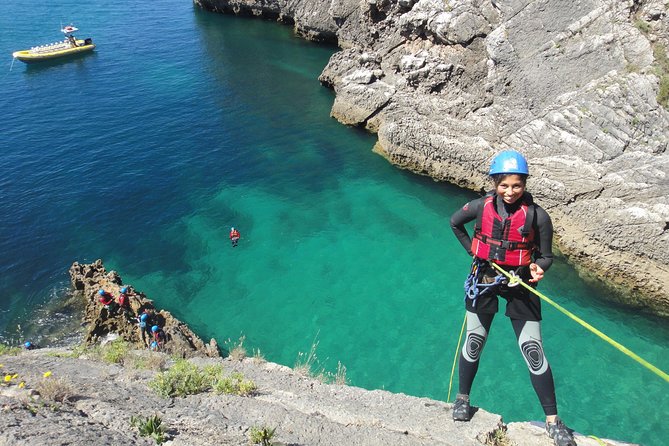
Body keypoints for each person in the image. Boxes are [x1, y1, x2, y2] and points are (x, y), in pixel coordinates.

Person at [449, 150, 576, 446]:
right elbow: (455, 223)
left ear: (525, 184)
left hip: (520, 283)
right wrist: (473, 250)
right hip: (485, 278)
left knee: (533, 350)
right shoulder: (480, 207)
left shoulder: (538, 216)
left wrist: (537, 268)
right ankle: (462, 399)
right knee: (474, 341)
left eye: (516, 186)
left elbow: (547, 257)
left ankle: (553, 422)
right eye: (503, 185)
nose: (509, 192)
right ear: (494, 182)